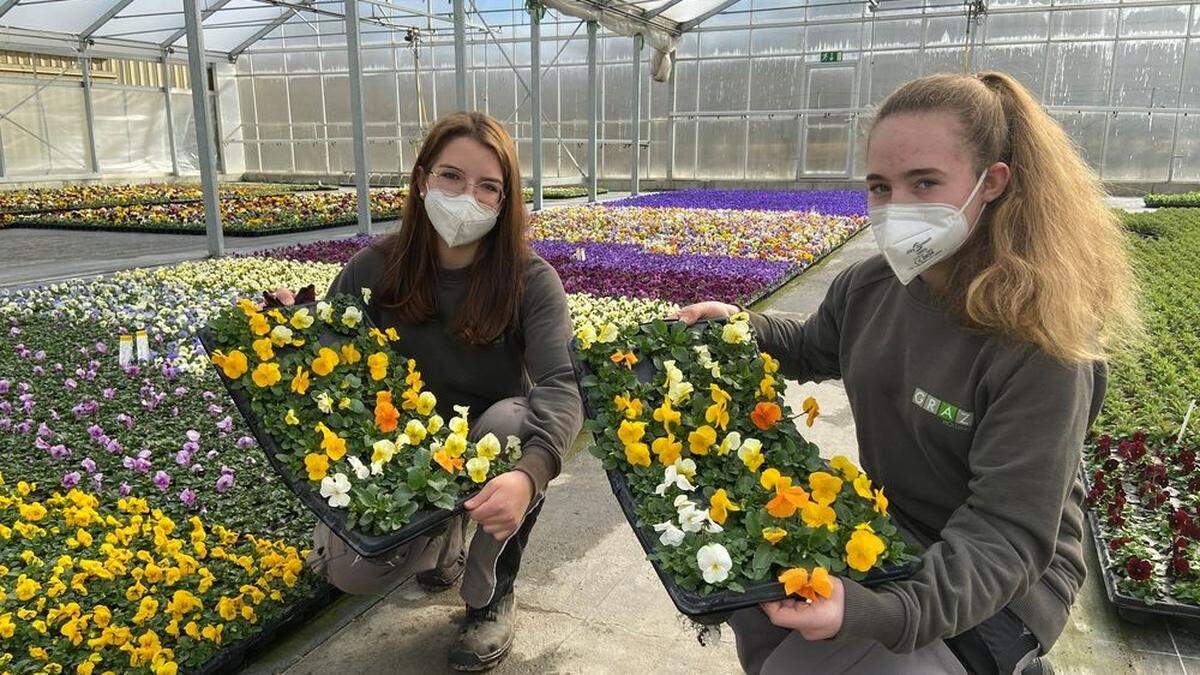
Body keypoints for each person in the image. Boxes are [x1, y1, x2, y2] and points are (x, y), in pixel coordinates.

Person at [675, 71, 1139, 674]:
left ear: (990, 182)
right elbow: (815, 347)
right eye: (880, 187)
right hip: (889, 532)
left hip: (1004, 586)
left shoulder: (1039, 342)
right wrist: (741, 327)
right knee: (755, 609)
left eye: (924, 183)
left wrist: (880, 614)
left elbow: (1007, 535)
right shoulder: (871, 286)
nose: (897, 210)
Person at [282, 111, 583, 671]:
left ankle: (492, 594)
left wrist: (531, 472)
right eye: (451, 177)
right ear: (422, 180)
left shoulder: (529, 279)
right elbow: (329, 365)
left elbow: (563, 385)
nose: (467, 196)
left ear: (505, 200)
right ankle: (443, 540)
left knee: (517, 425)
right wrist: (288, 328)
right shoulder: (374, 269)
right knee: (348, 570)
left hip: (488, 447)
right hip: (402, 456)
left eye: (488, 186)